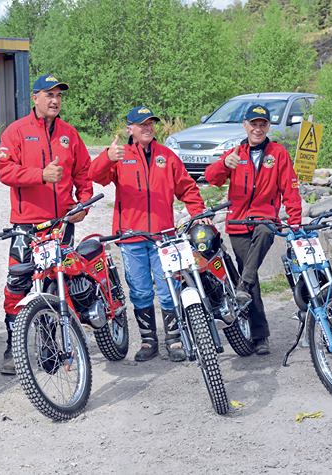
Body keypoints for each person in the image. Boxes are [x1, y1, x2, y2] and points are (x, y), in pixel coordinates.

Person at [90, 106, 206, 362]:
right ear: (129, 128)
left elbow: (187, 188)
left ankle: (174, 340)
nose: (147, 128)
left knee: (168, 289)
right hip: (131, 237)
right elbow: (95, 176)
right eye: (141, 124)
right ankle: (148, 341)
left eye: (151, 123)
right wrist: (107, 157)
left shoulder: (167, 156)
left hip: (163, 237)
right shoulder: (120, 155)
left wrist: (198, 214)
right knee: (140, 291)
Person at [0, 74, 93, 374]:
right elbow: (4, 171)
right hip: (26, 226)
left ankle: (51, 346)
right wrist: (39, 175)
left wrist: (83, 204)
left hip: (61, 224)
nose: (54, 100)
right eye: (49, 94)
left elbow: (83, 173)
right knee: (17, 284)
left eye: (59, 95)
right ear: (34, 98)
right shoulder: (15, 131)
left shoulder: (69, 134)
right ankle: (13, 346)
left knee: (57, 283)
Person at [204, 104, 303, 355]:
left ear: (268, 126)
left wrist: (296, 221)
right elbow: (210, 177)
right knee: (251, 277)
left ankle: (243, 287)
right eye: (253, 124)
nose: (258, 128)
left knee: (264, 234)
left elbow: (290, 189)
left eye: (263, 124)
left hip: (264, 219)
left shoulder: (278, 153)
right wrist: (224, 164)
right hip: (237, 223)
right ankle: (260, 336)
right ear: (245, 125)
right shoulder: (236, 152)